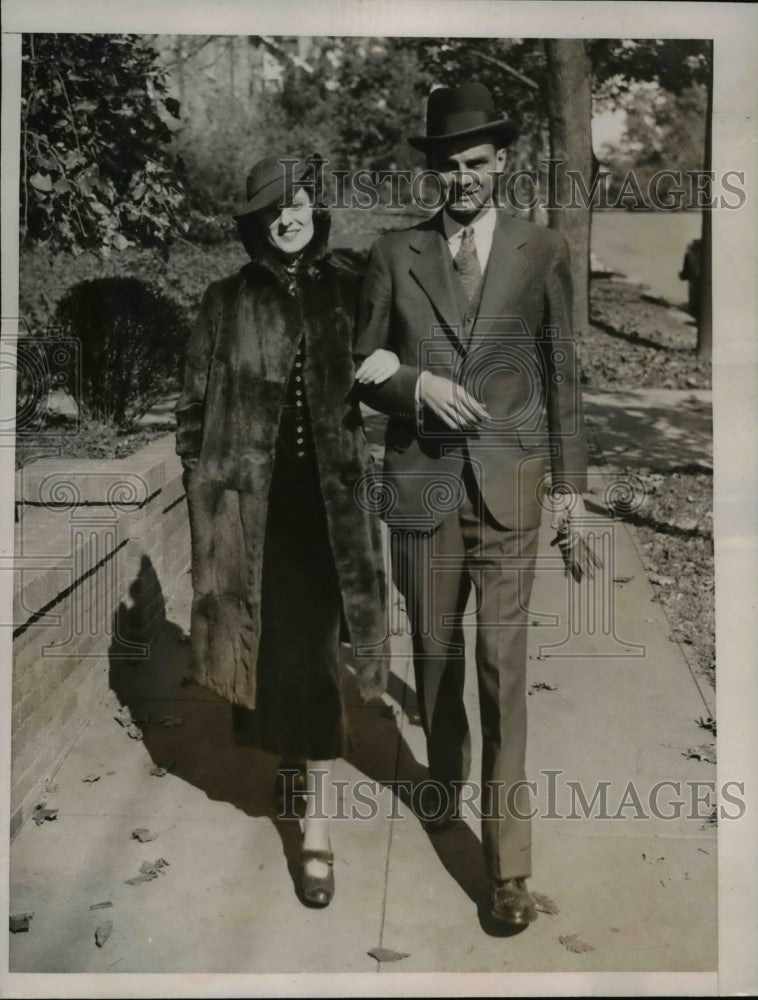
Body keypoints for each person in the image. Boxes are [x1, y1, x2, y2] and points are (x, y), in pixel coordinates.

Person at [354, 83, 594, 927]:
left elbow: (562, 376)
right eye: (450, 166)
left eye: (478, 164)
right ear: (431, 171)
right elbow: (362, 365)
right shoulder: (395, 254)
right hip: (421, 492)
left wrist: (570, 494)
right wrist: (420, 388)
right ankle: (444, 784)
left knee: (503, 672)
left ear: (503, 163)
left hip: (513, 489)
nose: (464, 179)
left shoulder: (544, 250)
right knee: (437, 662)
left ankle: (509, 872)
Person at [175, 153, 390, 908]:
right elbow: (192, 412)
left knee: (318, 655)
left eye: (299, 201)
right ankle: (297, 763)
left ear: (314, 209)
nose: (289, 215)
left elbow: (395, 357)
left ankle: (318, 829)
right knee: (277, 652)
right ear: (257, 224)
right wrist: (206, 500)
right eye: (275, 207)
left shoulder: (353, 288)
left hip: (330, 512)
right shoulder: (224, 300)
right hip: (253, 512)